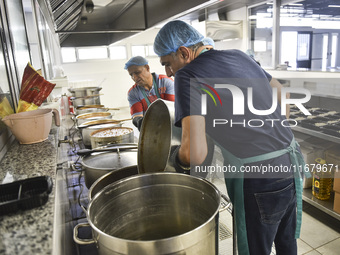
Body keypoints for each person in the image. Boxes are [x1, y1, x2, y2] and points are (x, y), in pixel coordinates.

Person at [154, 20, 307, 255]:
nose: (167, 73)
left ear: (183, 53)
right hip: (289, 164)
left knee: (258, 249)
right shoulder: (240, 56)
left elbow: (195, 152)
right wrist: (271, 131)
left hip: (258, 180)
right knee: (286, 243)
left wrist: (175, 160)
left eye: (167, 63)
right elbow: (280, 93)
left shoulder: (188, 75)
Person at [125, 56, 175, 130]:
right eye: (131, 75)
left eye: (137, 72)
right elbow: (136, 115)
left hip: (171, 126)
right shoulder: (133, 93)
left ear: (147, 68)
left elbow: (171, 110)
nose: (134, 78)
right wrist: (139, 121)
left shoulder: (166, 82)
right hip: (150, 129)